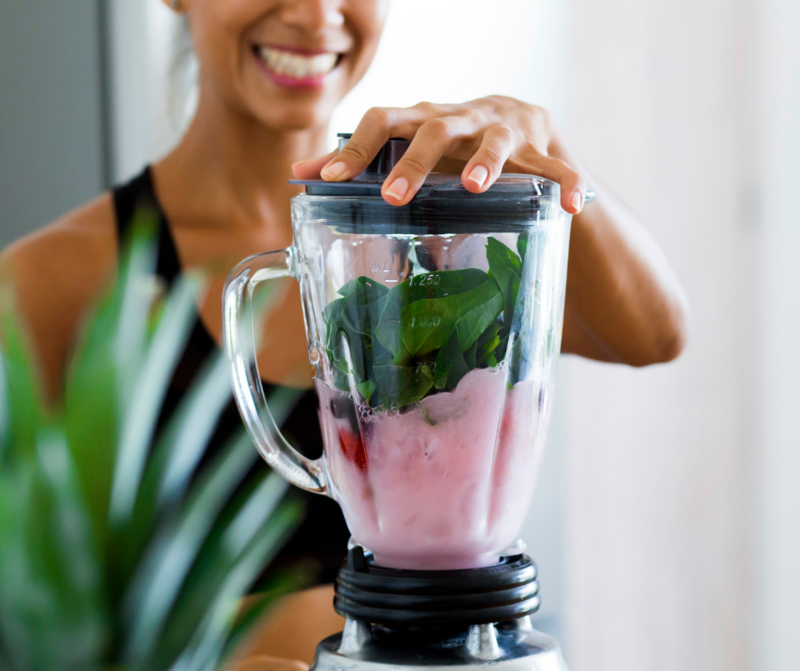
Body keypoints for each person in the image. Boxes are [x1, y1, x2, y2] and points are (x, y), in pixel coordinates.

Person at [0, 0, 688, 668]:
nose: (314, 13)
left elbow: (655, 333)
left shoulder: (442, 234)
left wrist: (550, 154)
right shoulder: (53, 283)